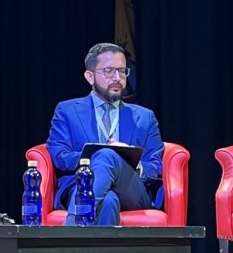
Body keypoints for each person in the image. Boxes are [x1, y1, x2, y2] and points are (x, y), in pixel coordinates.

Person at [46, 42, 164, 226]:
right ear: (90, 76)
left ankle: (71, 229)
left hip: (132, 190)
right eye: (109, 71)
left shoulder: (144, 117)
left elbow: (156, 165)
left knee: (108, 155)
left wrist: (131, 162)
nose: (117, 78)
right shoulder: (67, 111)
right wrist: (94, 156)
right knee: (108, 201)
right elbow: (59, 156)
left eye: (122, 71)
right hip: (81, 184)